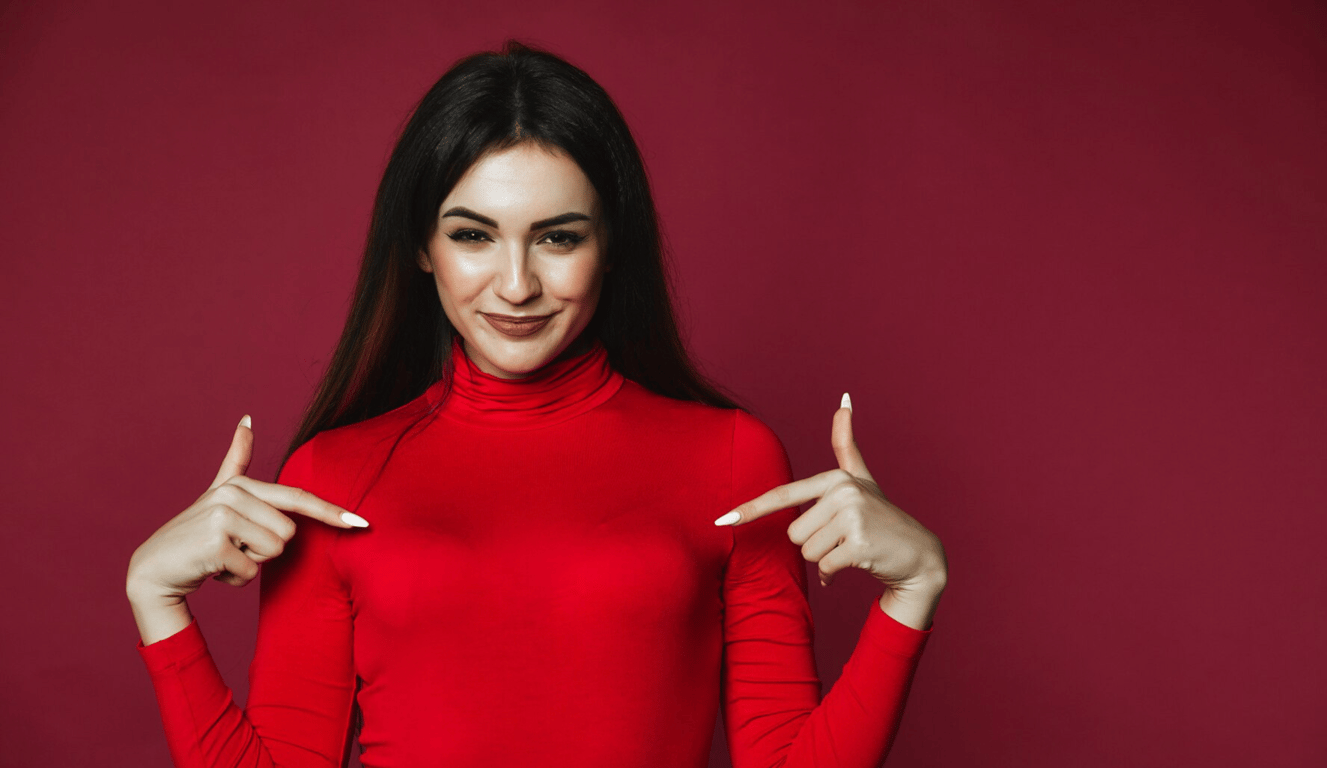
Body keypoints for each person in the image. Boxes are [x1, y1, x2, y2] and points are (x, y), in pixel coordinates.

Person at [125, 40, 948, 768]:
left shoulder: (732, 460)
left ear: (610, 245)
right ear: (420, 245)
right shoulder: (329, 477)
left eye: (558, 237)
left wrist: (910, 592)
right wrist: (154, 598)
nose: (516, 285)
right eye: (472, 235)